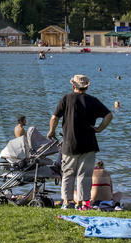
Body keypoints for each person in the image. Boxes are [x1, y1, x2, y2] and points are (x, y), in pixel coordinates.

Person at [47, 74, 112, 211]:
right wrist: (99, 129)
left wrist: (51, 132)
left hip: (70, 144)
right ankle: (83, 204)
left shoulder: (66, 98)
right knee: (85, 175)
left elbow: (54, 118)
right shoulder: (93, 101)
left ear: (73, 86)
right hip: (89, 144)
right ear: (87, 87)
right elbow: (109, 115)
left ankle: (66, 202)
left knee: (68, 174)